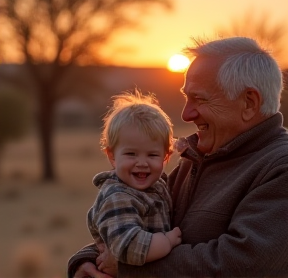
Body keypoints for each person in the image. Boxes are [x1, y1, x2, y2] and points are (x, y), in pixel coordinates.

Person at [68, 36, 288, 277]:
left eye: (199, 99)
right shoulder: (196, 160)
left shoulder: (280, 166)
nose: (186, 114)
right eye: (186, 98)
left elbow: (242, 264)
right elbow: (140, 223)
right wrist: (86, 261)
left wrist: (127, 268)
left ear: (249, 103)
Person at [85, 90, 181, 277]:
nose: (142, 163)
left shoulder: (155, 187)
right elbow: (129, 247)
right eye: (131, 154)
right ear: (112, 156)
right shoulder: (118, 197)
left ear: (166, 157)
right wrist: (167, 241)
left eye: (152, 155)